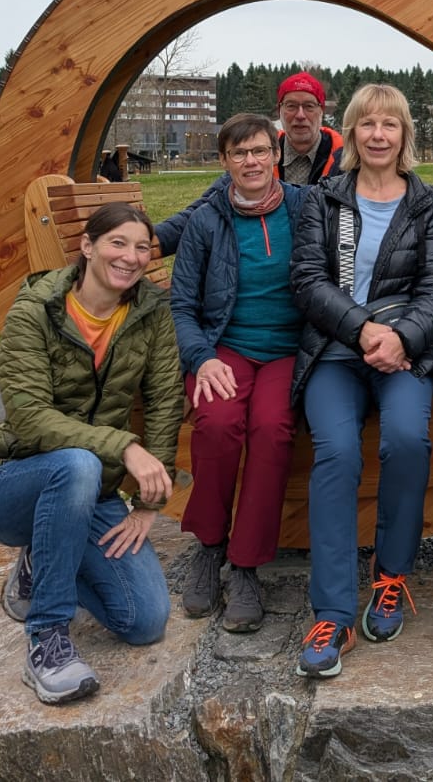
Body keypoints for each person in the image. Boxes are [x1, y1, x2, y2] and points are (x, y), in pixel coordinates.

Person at [0, 203, 181, 704]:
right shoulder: (36, 310)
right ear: (87, 246)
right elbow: (30, 418)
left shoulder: (150, 312)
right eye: (117, 243)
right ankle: (47, 639)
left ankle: (43, 557)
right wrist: (124, 447)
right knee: (79, 463)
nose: (130, 257)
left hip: (93, 492)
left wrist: (149, 503)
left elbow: (166, 399)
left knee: (144, 620)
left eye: (141, 247)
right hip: (10, 484)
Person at [290, 83, 433, 679]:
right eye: (368, 124)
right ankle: (332, 614)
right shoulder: (324, 199)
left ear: (404, 133)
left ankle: (390, 578)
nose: (379, 134)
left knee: (407, 440)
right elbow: (307, 279)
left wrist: (401, 338)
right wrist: (363, 331)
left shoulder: (427, 203)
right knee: (336, 453)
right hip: (335, 351)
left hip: (406, 353)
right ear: (352, 133)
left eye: (390, 124)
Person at [169, 113, 306, 631]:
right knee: (217, 423)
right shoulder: (207, 221)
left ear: (277, 155)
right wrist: (201, 357)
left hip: (289, 349)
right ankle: (209, 545)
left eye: (260, 151)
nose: (251, 161)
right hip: (224, 347)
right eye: (239, 153)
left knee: (271, 429)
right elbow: (183, 304)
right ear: (224, 161)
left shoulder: (305, 208)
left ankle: (246, 564)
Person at [276, 71, 343, 185]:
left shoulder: (345, 160)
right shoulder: (260, 157)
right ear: (279, 110)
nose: (300, 115)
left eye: (309, 106)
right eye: (291, 106)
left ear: (321, 111)